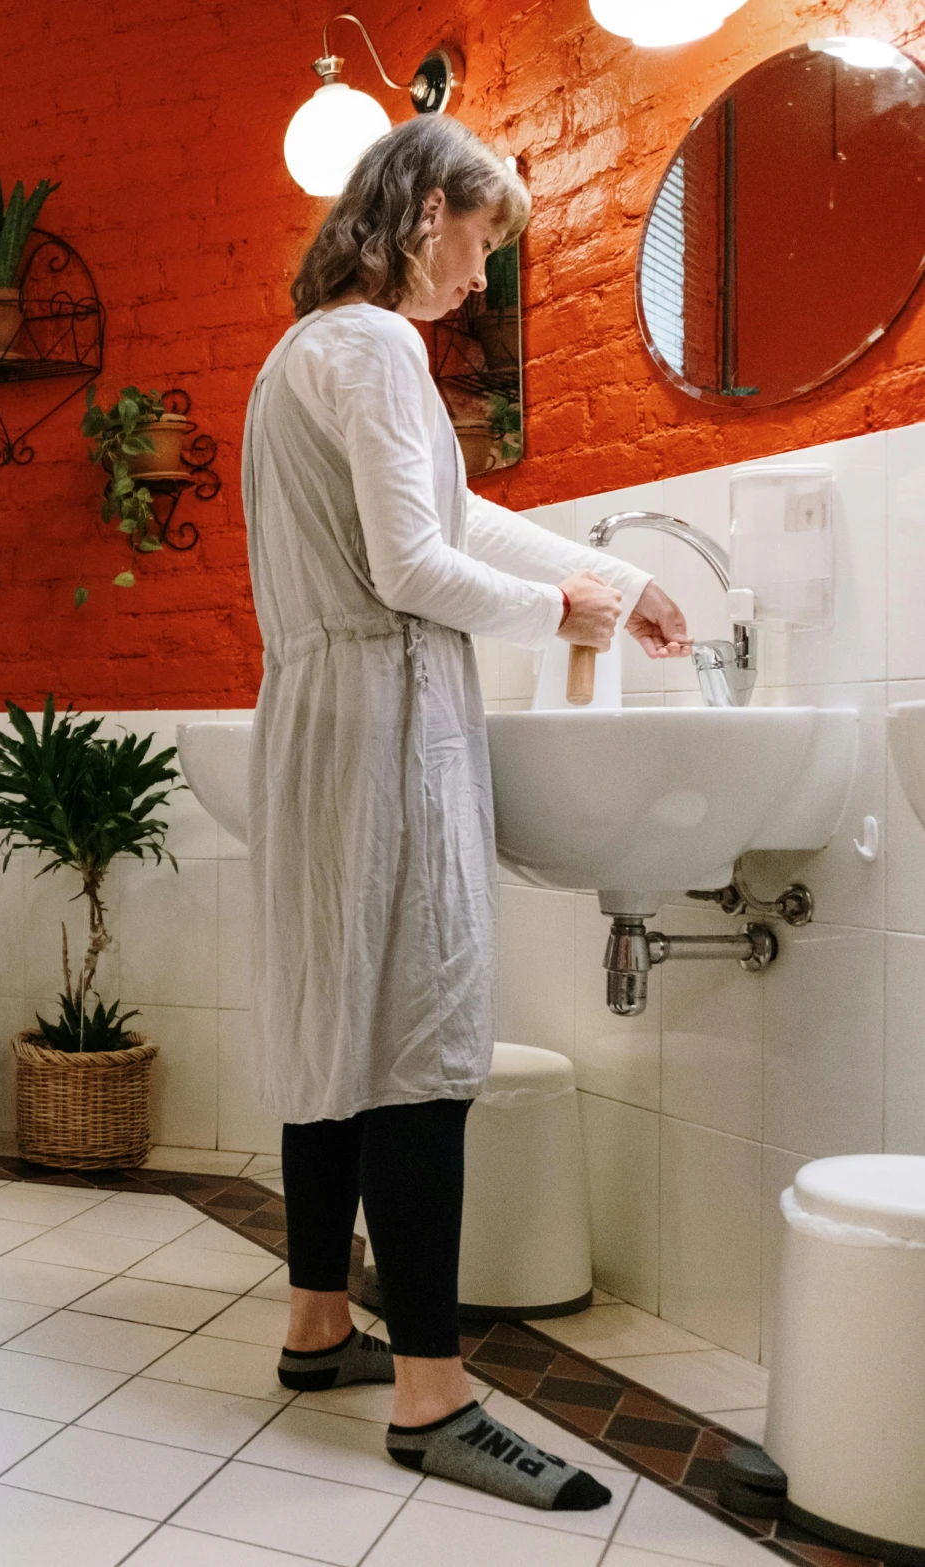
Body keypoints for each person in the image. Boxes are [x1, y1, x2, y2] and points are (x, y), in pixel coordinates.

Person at [241, 117, 691, 1511]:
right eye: (480, 238)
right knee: (422, 1043)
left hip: (316, 713)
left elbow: (457, 515)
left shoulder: (299, 351)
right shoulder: (375, 345)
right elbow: (414, 558)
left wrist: (609, 583)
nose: (479, 275)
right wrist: (566, 605)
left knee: (337, 1018)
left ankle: (320, 1319)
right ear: (427, 207)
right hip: (381, 711)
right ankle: (433, 1392)